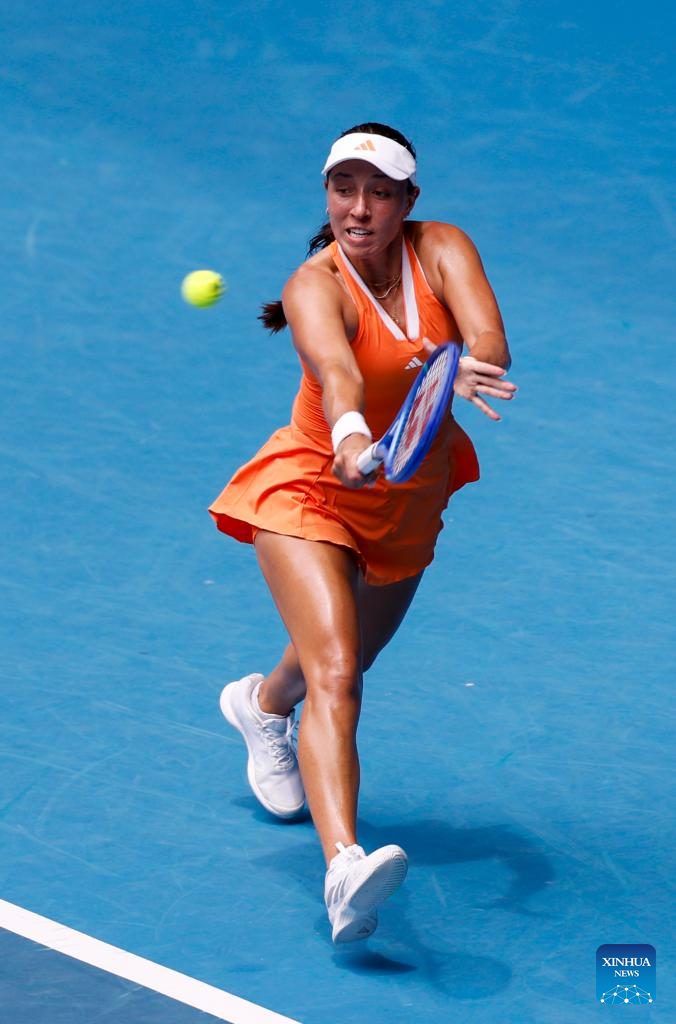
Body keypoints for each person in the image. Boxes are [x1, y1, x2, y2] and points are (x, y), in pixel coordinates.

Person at [209, 122, 516, 943]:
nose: (359, 207)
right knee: (339, 675)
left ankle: (261, 705)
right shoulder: (314, 286)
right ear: (327, 195)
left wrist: (464, 364)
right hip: (315, 484)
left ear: (408, 200)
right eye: (344, 188)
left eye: (380, 192)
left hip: (409, 494)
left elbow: (488, 336)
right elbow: (339, 376)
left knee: (341, 657)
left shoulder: (441, 248)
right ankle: (344, 865)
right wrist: (350, 439)